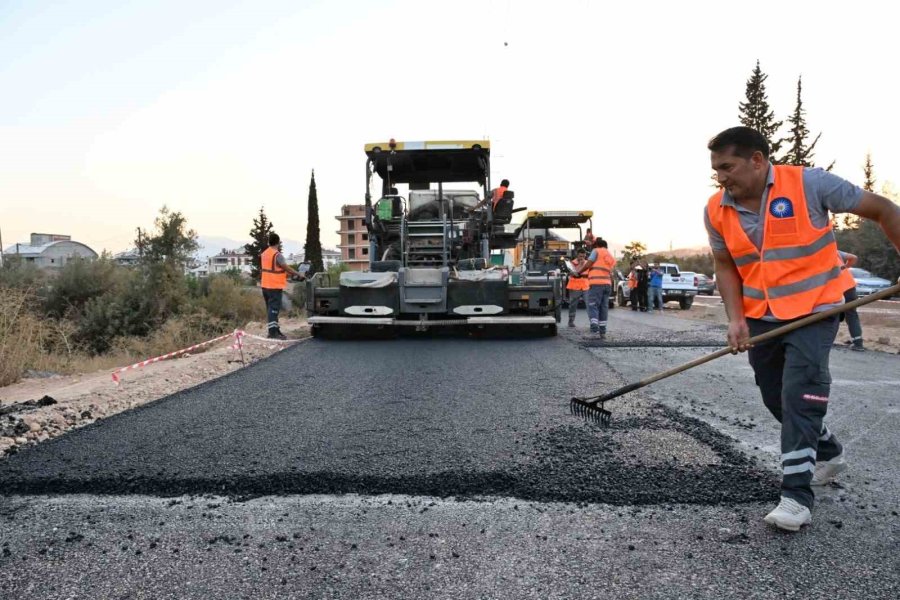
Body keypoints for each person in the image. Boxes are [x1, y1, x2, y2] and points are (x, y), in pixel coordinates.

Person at [705, 126, 900, 532]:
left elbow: (883, 209)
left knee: (801, 394)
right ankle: (824, 447)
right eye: (716, 170)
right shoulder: (714, 209)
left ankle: (796, 496)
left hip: (817, 307)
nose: (721, 177)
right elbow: (725, 266)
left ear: (757, 160)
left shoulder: (809, 183)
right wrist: (736, 318)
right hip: (762, 314)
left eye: (728, 166)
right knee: (775, 397)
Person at [260, 232, 306, 340]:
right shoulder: (277, 255)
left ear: (269, 242)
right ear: (278, 242)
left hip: (265, 285)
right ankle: (272, 333)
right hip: (274, 286)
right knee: (274, 310)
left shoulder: (264, 254)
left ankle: (275, 330)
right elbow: (286, 268)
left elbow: (272, 269)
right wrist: (298, 274)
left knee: (270, 309)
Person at [573, 237, 616, 336]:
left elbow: (589, 264)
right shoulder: (609, 255)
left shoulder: (596, 251)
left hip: (596, 283)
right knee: (604, 307)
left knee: (592, 305)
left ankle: (594, 327)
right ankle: (602, 330)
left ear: (597, 245)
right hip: (607, 284)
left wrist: (579, 272)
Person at [838, 250, 864, 351]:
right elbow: (854, 257)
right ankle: (858, 342)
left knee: (830, 315)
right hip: (849, 287)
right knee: (852, 314)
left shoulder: (814, 252)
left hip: (835, 288)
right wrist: (844, 267)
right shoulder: (834, 250)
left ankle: (826, 341)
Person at [566, 249, 590, 327]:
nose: (582, 258)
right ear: (577, 255)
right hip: (575, 286)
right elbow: (573, 273)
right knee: (573, 304)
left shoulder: (588, 263)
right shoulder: (572, 263)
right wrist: (580, 265)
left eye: (583, 256)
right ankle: (571, 321)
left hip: (586, 285)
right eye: (580, 256)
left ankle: (592, 322)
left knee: (589, 304)